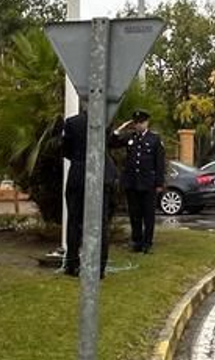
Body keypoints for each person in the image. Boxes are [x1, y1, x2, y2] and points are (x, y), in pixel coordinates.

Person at [56, 112, 119, 278]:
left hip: (79, 174)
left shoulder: (72, 122)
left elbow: (65, 150)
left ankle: (72, 264)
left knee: (74, 221)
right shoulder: (105, 120)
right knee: (101, 223)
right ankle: (99, 268)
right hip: (101, 175)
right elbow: (110, 144)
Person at [114, 111, 165, 254]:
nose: (139, 125)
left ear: (146, 123)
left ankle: (147, 243)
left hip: (148, 183)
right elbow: (112, 143)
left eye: (141, 122)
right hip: (132, 182)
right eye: (136, 123)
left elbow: (159, 163)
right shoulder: (131, 137)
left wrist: (159, 184)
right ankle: (136, 241)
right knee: (134, 213)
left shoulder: (154, 139)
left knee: (148, 215)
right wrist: (119, 130)